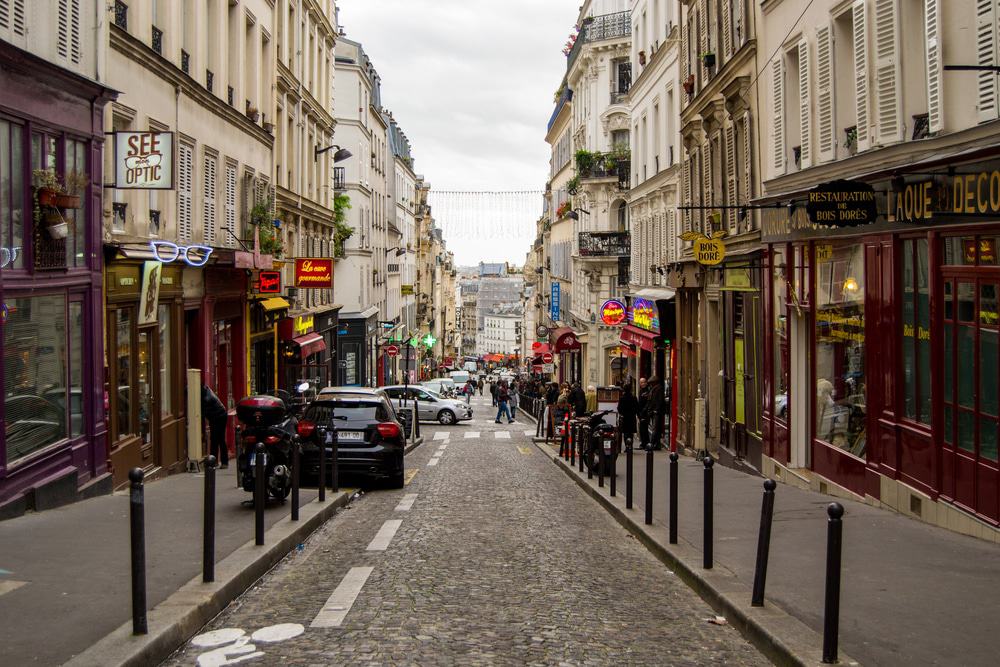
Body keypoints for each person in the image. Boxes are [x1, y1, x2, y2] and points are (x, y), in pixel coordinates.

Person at [201, 384, 229, 467]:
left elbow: (203, 411)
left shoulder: (205, 397)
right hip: (219, 414)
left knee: (218, 439)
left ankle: (219, 462)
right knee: (216, 439)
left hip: (219, 416)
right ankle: (217, 461)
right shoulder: (206, 390)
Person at [647, 375, 666, 450]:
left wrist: (656, 410)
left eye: (651, 383)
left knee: (655, 428)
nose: (651, 384)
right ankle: (657, 444)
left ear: (654, 382)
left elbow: (659, 401)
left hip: (657, 411)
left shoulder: (658, 389)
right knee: (656, 428)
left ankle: (651, 444)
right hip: (654, 411)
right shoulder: (654, 389)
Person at [617, 383, 639, 447]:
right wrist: (637, 414)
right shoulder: (634, 398)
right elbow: (637, 407)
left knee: (626, 433)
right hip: (632, 417)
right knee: (630, 433)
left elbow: (619, 408)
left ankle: (627, 446)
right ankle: (630, 445)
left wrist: (622, 413)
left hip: (625, 417)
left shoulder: (622, 398)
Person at [637, 377, 650, 450]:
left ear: (646, 383)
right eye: (641, 382)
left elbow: (648, 402)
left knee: (644, 429)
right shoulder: (641, 391)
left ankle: (646, 443)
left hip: (645, 412)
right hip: (641, 412)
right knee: (642, 429)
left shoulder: (647, 391)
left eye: (644, 382)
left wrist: (644, 410)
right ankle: (643, 443)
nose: (643, 384)